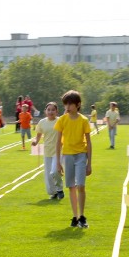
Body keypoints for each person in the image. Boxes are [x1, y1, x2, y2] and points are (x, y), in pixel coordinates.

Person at [55, 90, 92, 228]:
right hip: (68, 155)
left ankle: (82, 216)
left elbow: (89, 142)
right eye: (66, 104)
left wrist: (90, 163)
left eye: (70, 104)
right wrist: (58, 162)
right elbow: (58, 142)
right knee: (71, 187)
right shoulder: (62, 120)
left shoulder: (83, 120)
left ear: (78, 105)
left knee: (81, 185)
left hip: (81, 155)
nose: (67, 107)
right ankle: (75, 216)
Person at [32, 102, 64, 200]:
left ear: (56, 111)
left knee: (54, 172)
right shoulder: (42, 122)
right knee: (48, 176)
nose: (51, 112)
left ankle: (59, 189)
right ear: (45, 111)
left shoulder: (60, 121)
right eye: (48, 110)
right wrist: (36, 142)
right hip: (47, 151)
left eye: (53, 110)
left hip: (58, 151)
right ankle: (53, 193)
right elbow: (39, 134)